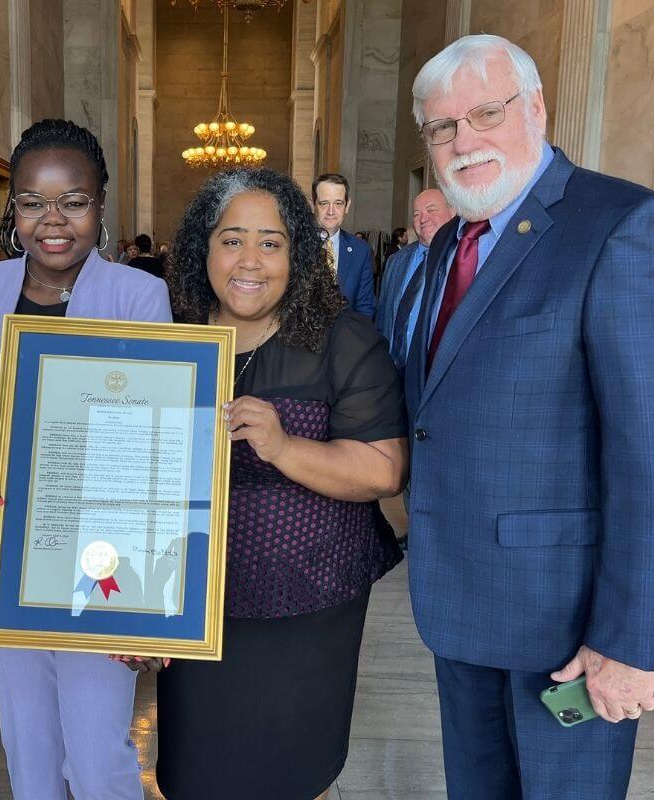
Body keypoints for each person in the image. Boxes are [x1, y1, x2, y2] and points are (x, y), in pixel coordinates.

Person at [402, 35, 654, 800]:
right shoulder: (449, 244)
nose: (463, 141)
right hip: (460, 606)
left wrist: (631, 641)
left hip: (569, 632)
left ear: (537, 107)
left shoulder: (628, 227)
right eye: (443, 128)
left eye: (486, 112)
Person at [0, 119, 170, 800]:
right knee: (27, 746)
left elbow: (157, 438)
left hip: (102, 563)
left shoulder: (139, 297)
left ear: (101, 206)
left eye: (74, 201)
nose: (53, 222)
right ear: (13, 210)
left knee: (96, 757)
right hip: (4, 553)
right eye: (32, 202)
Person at [155, 167, 409, 800]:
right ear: (202, 248)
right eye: (231, 238)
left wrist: (285, 446)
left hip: (309, 605)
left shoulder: (342, 341)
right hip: (196, 608)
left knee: (290, 771)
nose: (250, 260)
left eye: (270, 242)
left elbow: (383, 469)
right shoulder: (169, 339)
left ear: (297, 252)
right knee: (197, 769)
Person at [375, 189, 454, 373]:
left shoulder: (461, 260)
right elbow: (383, 316)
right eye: (416, 214)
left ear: (453, 212)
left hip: (432, 374)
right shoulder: (396, 261)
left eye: (431, 210)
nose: (423, 218)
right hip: (390, 374)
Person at [312, 173, 376, 318]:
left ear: (347, 206)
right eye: (324, 203)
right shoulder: (295, 244)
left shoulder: (361, 251)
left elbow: (365, 306)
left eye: (338, 203)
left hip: (346, 337)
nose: (331, 211)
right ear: (313, 205)